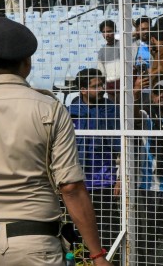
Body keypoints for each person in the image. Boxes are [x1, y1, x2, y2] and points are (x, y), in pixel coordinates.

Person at [0, 17, 113, 266]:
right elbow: (70, 187)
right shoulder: (50, 109)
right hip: (38, 242)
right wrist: (97, 254)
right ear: (27, 63)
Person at [67, 68, 122, 249]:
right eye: (95, 86)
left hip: (103, 181)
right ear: (83, 89)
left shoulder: (111, 109)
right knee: (78, 229)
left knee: (106, 230)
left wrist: (120, 177)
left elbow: (121, 146)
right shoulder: (70, 111)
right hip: (77, 181)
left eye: (102, 85)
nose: (101, 89)